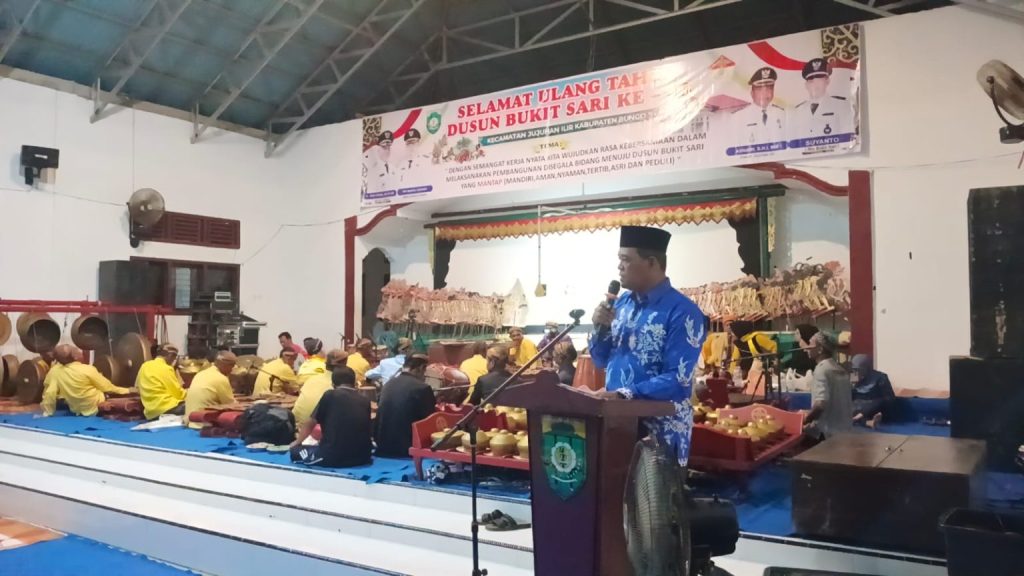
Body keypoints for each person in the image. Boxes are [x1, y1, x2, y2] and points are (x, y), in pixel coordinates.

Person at [590, 225, 705, 469]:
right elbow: (600, 360)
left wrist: (624, 394)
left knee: (654, 495)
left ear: (651, 262)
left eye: (626, 260)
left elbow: (677, 379)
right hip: (617, 425)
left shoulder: (682, 312)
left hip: (660, 432)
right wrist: (600, 327)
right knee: (612, 491)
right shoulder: (621, 305)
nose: (619, 267)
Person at [289, 366, 373, 468]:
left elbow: (311, 422)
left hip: (332, 457)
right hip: (363, 457)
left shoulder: (330, 395)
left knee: (295, 452)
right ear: (354, 382)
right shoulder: (365, 400)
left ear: (333, 384)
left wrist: (297, 442)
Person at [41, 345, 131, 417]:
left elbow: (49, 393)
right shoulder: (87, 370)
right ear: (75, 357)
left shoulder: (54, 371)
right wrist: (128, 390)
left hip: (76, 409)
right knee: (113, 394)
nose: (79, 352)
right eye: (77, 350)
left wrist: (48, 412)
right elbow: (108, 388)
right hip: (96, 407)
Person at [375, 354, 436, 458]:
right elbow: (429, 420)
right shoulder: (422, 388)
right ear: (421, 368)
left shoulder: (388, 384)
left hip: (383, 446)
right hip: (407, 449)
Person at [802, 332, 853, 440]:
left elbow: (820, 404)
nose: (806, 348)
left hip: (827, 433)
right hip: (845, 431)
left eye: (810, 344)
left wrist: (805, 420)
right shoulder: (840, 370)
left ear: (820, 349)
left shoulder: (821, 369)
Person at [791, 58, 854, 141]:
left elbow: (848, 139)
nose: (815, 85)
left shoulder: (841, 106)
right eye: (811, 81)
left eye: (819, 80)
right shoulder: (798, 111)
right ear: (806, 85)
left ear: (827, 81)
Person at [292, 349, 348, 429]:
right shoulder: (340, 384)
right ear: (344, 364)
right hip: (316, 428)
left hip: (296, 422)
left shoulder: (312, 378)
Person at [732, 66, 785, 145]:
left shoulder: (781, 113)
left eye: (769, 88)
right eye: (760, 89)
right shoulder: (739, 117)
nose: (765, 93)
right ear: (752, 93)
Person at [184, 351, 237, 429]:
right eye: (232, 365)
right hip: (205, 423)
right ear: (224, 364)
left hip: (190, 421)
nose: (232, 369)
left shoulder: (200, 373)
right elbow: (231, 404)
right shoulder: (220, 378)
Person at [137, 344, 187, 420]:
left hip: (150, 414)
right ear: (170, 355)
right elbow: (178, 393)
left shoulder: (144, 366)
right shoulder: (166, 368)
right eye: (174, 357)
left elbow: (137, 388)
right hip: (168, 408)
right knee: (197, 406)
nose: (174, 360)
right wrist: (191, 395)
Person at [850, 354, 895, 428]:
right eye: (854, 370)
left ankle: (859, 419)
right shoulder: (854, 377)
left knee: (879, 401)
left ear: (867, 368)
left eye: (859, 370)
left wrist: (877, 406)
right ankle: (866, 422)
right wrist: (852, 386)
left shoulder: (880, 377)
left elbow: (889, 398)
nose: (856, 372)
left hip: (874, 406)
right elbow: (850, 396)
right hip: (858, 406)